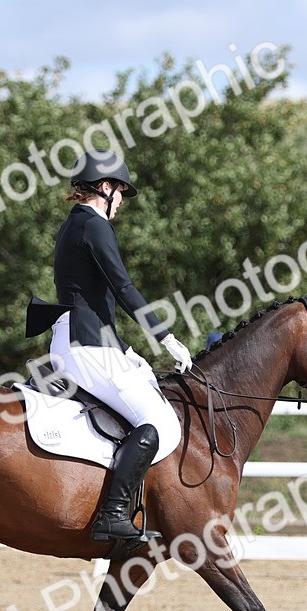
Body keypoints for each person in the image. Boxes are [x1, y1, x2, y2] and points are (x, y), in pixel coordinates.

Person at [25, 149, 191, 542]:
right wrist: (165, 337)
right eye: (120, 191)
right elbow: (123, 288)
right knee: (158, 422)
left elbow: (95, 300)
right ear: (106, 187)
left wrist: (128, 352)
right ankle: (113, 514)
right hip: (86, 345)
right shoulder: (95, 225)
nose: (121, 203)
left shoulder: (75, 224)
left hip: (87, 340)